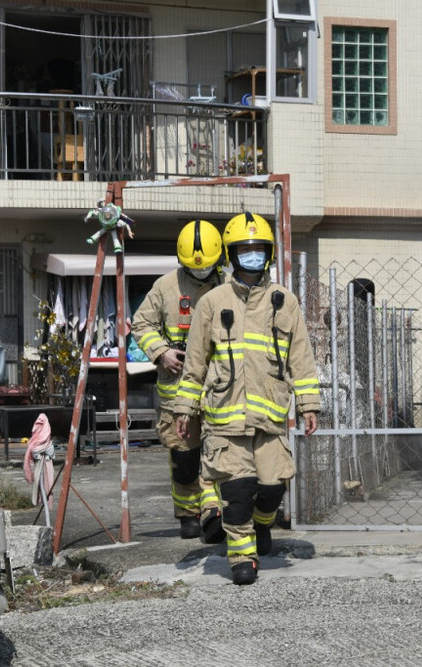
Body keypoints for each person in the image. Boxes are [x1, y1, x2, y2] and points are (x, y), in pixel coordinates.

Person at [173, 212, 320, 585]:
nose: (252, 254)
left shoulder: (284, 302)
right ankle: (242, 557)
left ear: (268, 253)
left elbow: (300, 358)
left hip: (269, 418)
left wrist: (309, 404)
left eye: (258, 248)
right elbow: (195, 365)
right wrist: (184, 409)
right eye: (245, 248)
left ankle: (263, 523)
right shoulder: (212, 302)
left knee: (271, 488)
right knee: (237, 492)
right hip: (224, 418)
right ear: (232, 253)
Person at [131, 220, 227, 541]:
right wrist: (161, 353)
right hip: (176, 391)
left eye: (207, 266)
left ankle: (219, 512)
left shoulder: (228, 286)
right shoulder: (165, 287)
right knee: (184, 457)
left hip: (220, 389)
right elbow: (140, 325)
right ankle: (188, 514)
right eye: (192, 267)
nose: (200, 271)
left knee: (222, 453)